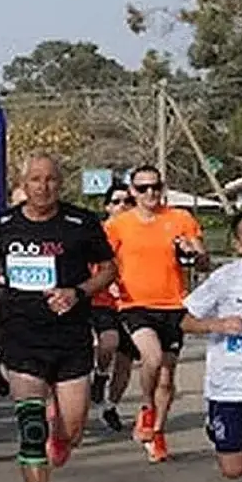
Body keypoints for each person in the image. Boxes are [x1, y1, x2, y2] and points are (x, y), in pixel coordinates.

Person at [0, 153, 116, 482]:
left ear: (62, 182)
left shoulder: (81, 223)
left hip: (70, 337)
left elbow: (108, 269)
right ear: (24, 182)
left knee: (72, 430)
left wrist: (77, 293)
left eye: (51, 180)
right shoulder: (4, 223)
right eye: (36, 180)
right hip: (21, 337)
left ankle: (63, 433)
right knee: (31, 433)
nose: (44, 187)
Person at [105, 163, 208, 463]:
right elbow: (102, 261)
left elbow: (202, 262)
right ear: (133, 192)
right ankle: (147, 408)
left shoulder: (180, 218)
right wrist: (108, 283)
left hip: (174, 305)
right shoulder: (119, 225)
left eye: (155, 187)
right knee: (151, 358)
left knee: (167, 376)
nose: (150, 193)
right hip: (134, 304)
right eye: (142, 188)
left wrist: (195, 251)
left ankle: (158, 432)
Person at [180, 209, 242, 482]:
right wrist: (219, 324)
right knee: (233, 469)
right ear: (238, 243)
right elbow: (184, 319)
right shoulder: (225, 280)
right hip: (228, 387)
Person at [90, 185, 138, 435]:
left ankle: (110, 406)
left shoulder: (139, 231)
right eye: (117, 201)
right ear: (107, 206)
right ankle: (99, 375)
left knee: (126, 358)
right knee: (109, 341)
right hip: (101, 299)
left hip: (132, 302)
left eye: (128, 201)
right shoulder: (99, 232)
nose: (123, 206)